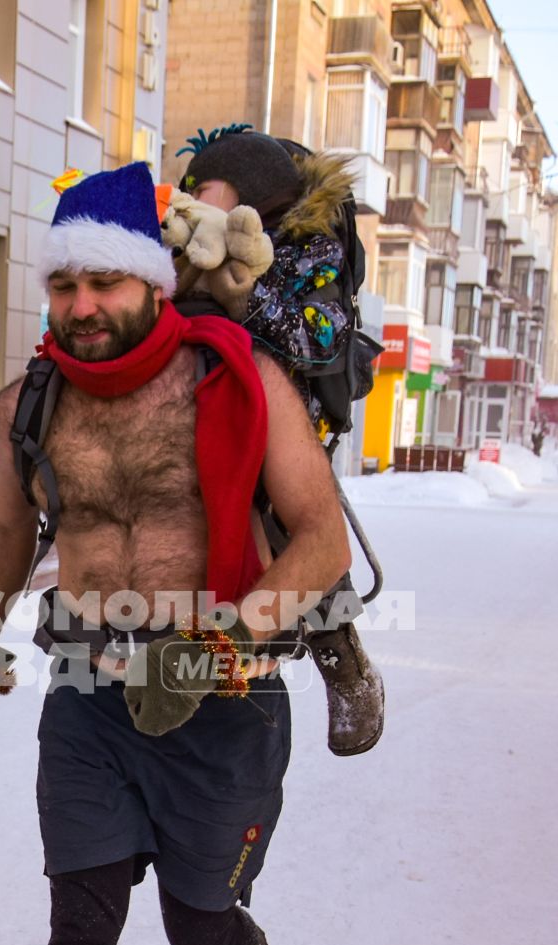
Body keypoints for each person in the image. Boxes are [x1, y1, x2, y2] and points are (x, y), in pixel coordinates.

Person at [0, 163, 350, 945]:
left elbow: (319, 539)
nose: (82, 306)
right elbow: (9, 532)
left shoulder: (240, 378)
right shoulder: (28, 402)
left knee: (193, 923)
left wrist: (222, 642)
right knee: (80, 924)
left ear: (153, 284)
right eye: (64, 285)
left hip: (222, 695)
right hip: (87, 691)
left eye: (103, 285)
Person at [169, 126, 384, 757]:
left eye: (203, 187)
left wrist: (244, 299)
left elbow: (317, 341)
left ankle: (340, 655)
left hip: (288, 405)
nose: (190, 197)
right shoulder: (186, 231)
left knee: (287, 508)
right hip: (206, 393)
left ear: (247, 192)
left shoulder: (306, 249)